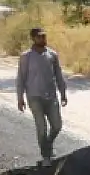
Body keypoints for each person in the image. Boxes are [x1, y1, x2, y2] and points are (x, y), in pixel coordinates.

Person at [16, 28, 68, 166]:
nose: (43, 39)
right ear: (33, 38)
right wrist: (20, 98)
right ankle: (46, 156)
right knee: (41, 127)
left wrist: (63, 93)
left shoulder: (52, 55)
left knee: (57, 126)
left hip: (51, 96)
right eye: (40, 37)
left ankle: (48, 144)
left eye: (45, 36)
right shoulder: (26, 57)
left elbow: (58, 75)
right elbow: (21, 78)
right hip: (34, 97)